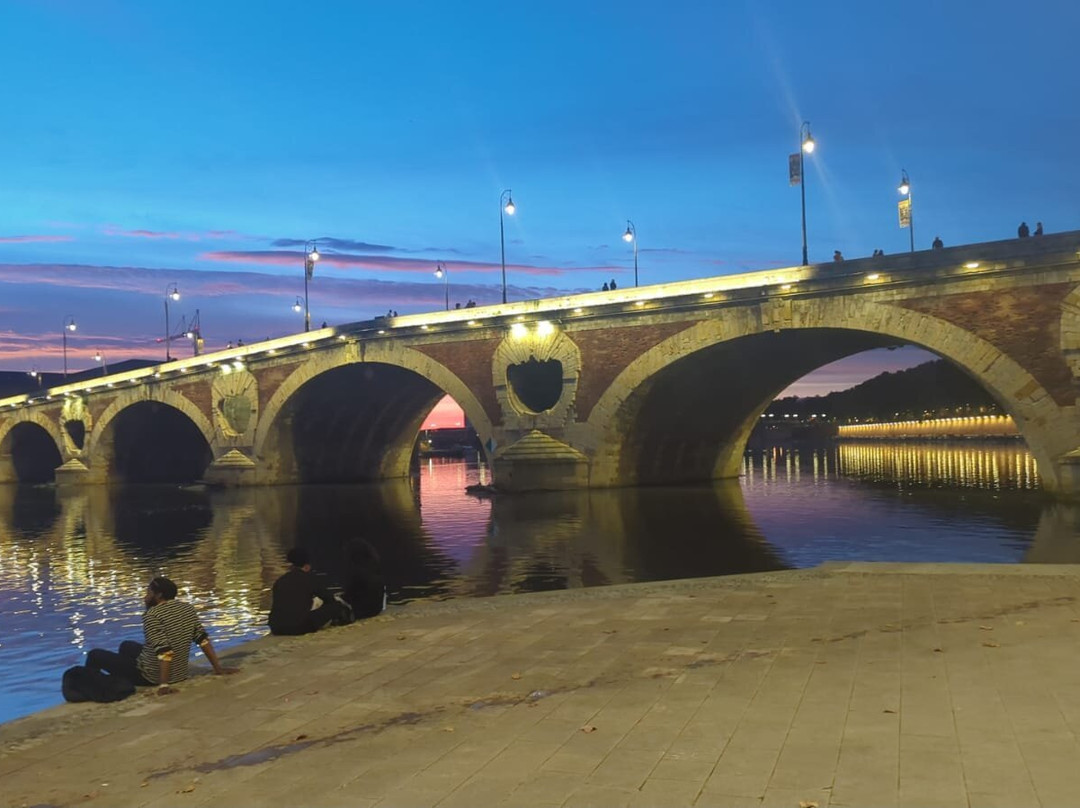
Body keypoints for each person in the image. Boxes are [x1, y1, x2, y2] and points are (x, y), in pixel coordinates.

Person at [85, 576, 237, 696]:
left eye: (148, 593)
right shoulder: (187, 608)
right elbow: (202, 640)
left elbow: (164, 651)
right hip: (180, 672)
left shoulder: (152, 615)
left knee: (95, 655)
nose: (145, 597)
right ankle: (124, 674)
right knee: (126, 646)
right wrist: (217, 668)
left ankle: (95, 688)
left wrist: (163, 684)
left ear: (158, 595)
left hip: (151, 676)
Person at [268, 547, 337, 636]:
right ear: (307, 565)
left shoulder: (280, 581)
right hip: (299, 627)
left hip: (276, 628)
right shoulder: (309, 578)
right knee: (335, 606)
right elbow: (330, 599)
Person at [341, 539, 387, 619]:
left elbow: (349, 595)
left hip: (360, 611)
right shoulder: (375, 568)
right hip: (376, 608)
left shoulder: (357, 572)